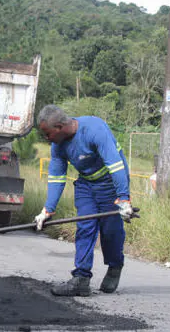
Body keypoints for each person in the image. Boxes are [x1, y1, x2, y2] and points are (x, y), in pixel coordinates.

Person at [34, 105, 135, 297]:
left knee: (110, 231)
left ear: (60, 126)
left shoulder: (94, 129)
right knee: (85, 227)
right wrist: (47, 209)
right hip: (86, 185)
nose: (47, 139)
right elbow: (56, 176)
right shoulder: (58, 145)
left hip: (110, 184)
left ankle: (114, 266)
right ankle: (81, 279)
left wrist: (123, 198)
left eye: (48, 134)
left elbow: (115, 165)